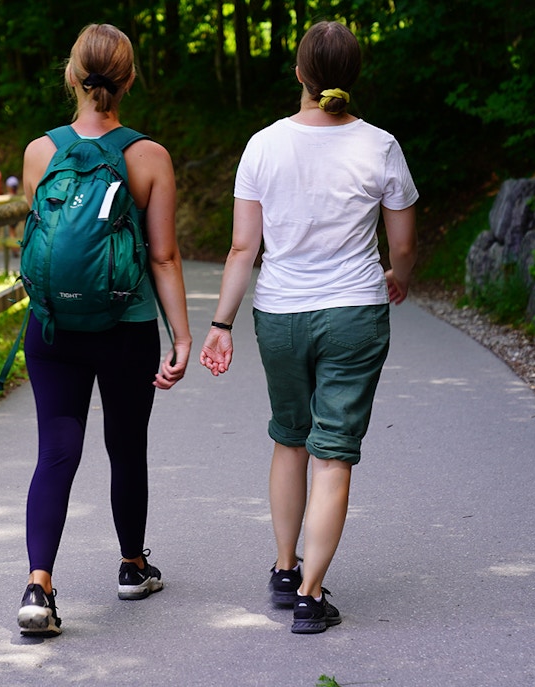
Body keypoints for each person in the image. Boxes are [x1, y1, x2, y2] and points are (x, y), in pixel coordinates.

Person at [198, 20, 418, 635]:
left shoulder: (263, 145)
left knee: (290, 438)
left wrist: (222, 323)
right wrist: (395, 276)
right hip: (354, 313)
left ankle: (285, 567)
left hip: (281, 315)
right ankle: (312, 597)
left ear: (299, 73)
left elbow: (244, 249)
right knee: (334, 453)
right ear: (352, 78)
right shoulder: (380, 146)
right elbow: (402, 243)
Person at [15, 22, 192, 638]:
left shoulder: (41, 152)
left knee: (56, 452)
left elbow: (41, 239)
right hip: (127, 324)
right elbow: (165, 257)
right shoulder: (148, 156)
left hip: (54, 328)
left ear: (72, 75)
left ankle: (39, 587)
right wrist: (184, 336)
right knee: (126, 443)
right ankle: (131, 564)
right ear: (129, 79)